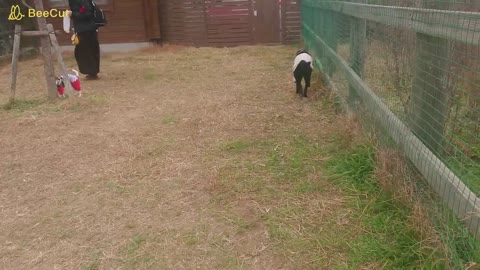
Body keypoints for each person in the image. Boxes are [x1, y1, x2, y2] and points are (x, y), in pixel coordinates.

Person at [68, 0, 100, 80]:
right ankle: (91, 72)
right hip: (83, 29)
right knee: (84, 51)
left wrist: (73, 14)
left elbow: (88, 14)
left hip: (87, 30)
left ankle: (92, 72)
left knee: (87, 51)